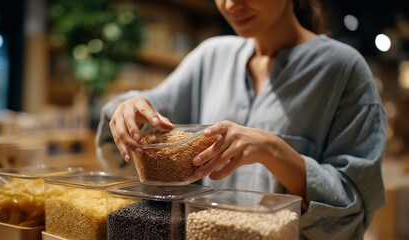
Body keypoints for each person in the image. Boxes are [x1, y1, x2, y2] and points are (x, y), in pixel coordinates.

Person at [96, 0, 387, 239]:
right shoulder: (211, 58)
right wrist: (127, 108)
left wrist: (274, 151)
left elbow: (353, 209)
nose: (231, 4)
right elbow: (146, 115)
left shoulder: (344, 70)